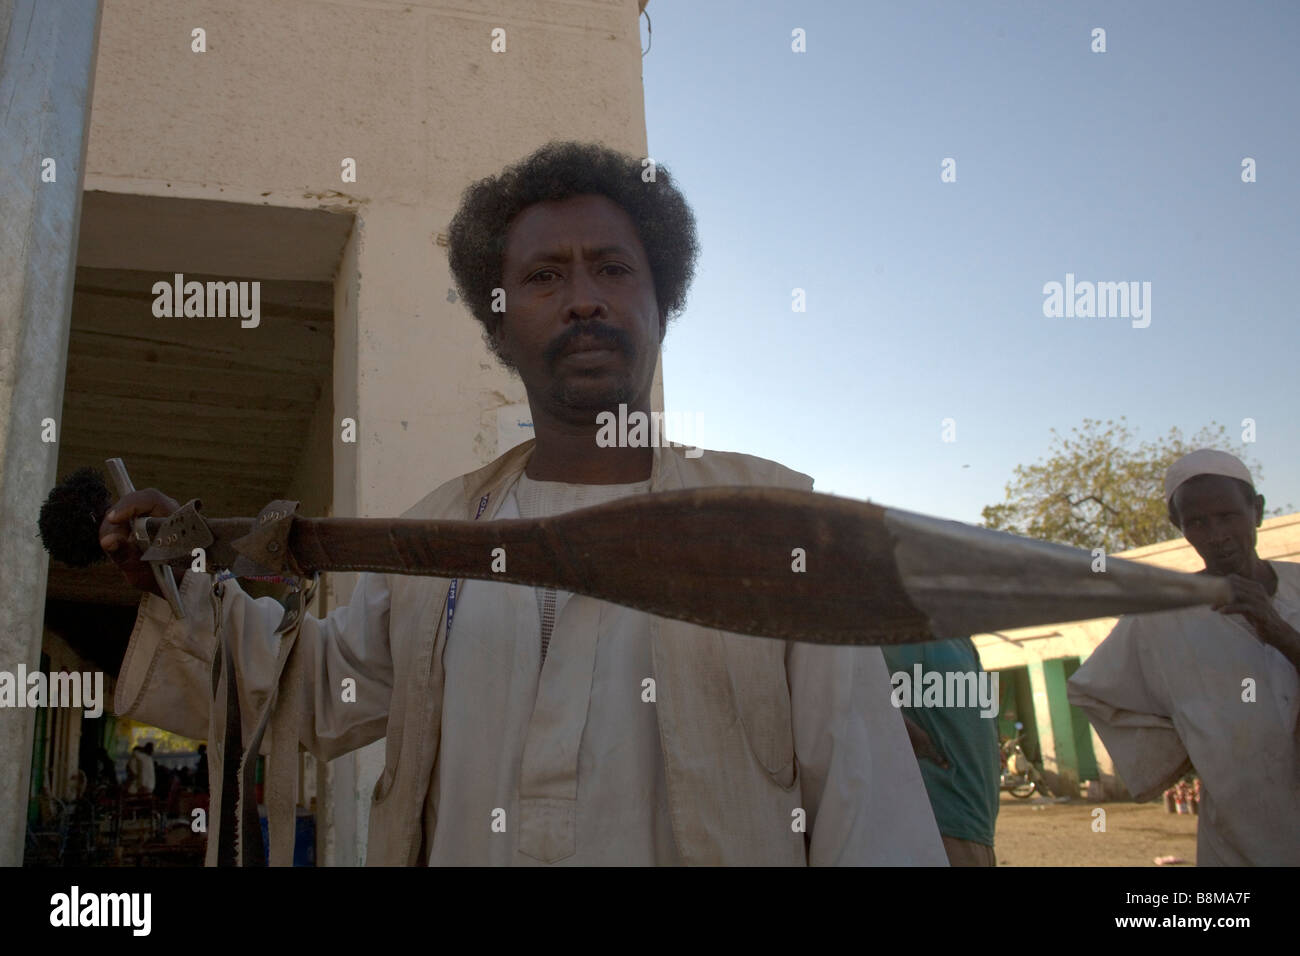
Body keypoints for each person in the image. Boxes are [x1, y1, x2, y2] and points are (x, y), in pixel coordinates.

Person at [99, 141, 945, 867]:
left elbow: (871, 811)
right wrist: (185, 579)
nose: (585, 298)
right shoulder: (436, 536)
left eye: (614, 268)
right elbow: (321, 693)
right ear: (499, 324)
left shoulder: (772, 525)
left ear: (663, 301)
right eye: (544, 276)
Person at [1068, 449, 1300, 865]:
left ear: (1258, 510)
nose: (1216, 534)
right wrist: (1188, 751)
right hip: (1238, 841)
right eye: (1197, 522)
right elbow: (1094, 692)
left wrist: (1278, 632)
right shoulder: (1159, 617)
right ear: (1180, 527)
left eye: (1228, 516)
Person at [880, 637, 1001, 866]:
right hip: (939, 823)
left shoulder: (959, 638)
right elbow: (858, 693)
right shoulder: (901, 624)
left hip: (973, 825)